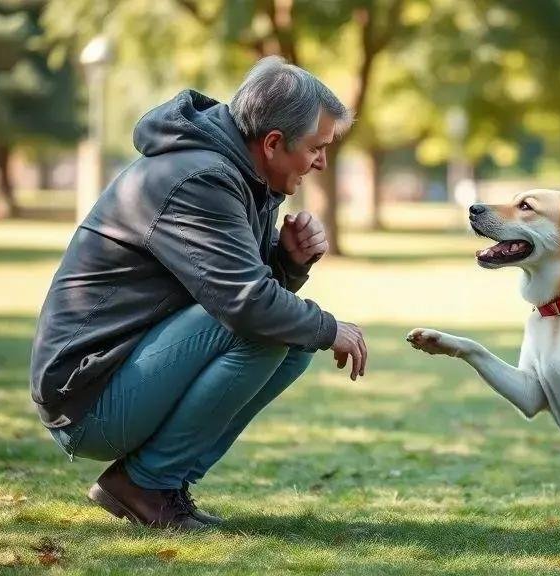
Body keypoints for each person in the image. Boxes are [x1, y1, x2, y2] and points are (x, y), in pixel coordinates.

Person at [30, 56, 368, 531]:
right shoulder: (201, 178)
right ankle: (144, 485)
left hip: (117, 375)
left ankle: (161, 484)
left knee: (292, 341)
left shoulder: (236, 173)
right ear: (273, 143)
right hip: (88, 398)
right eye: (316, 147)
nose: (322, 162)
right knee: (277, 329)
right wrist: (330, 327)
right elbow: (246, 305)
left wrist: (288, 262)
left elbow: (238, 291)